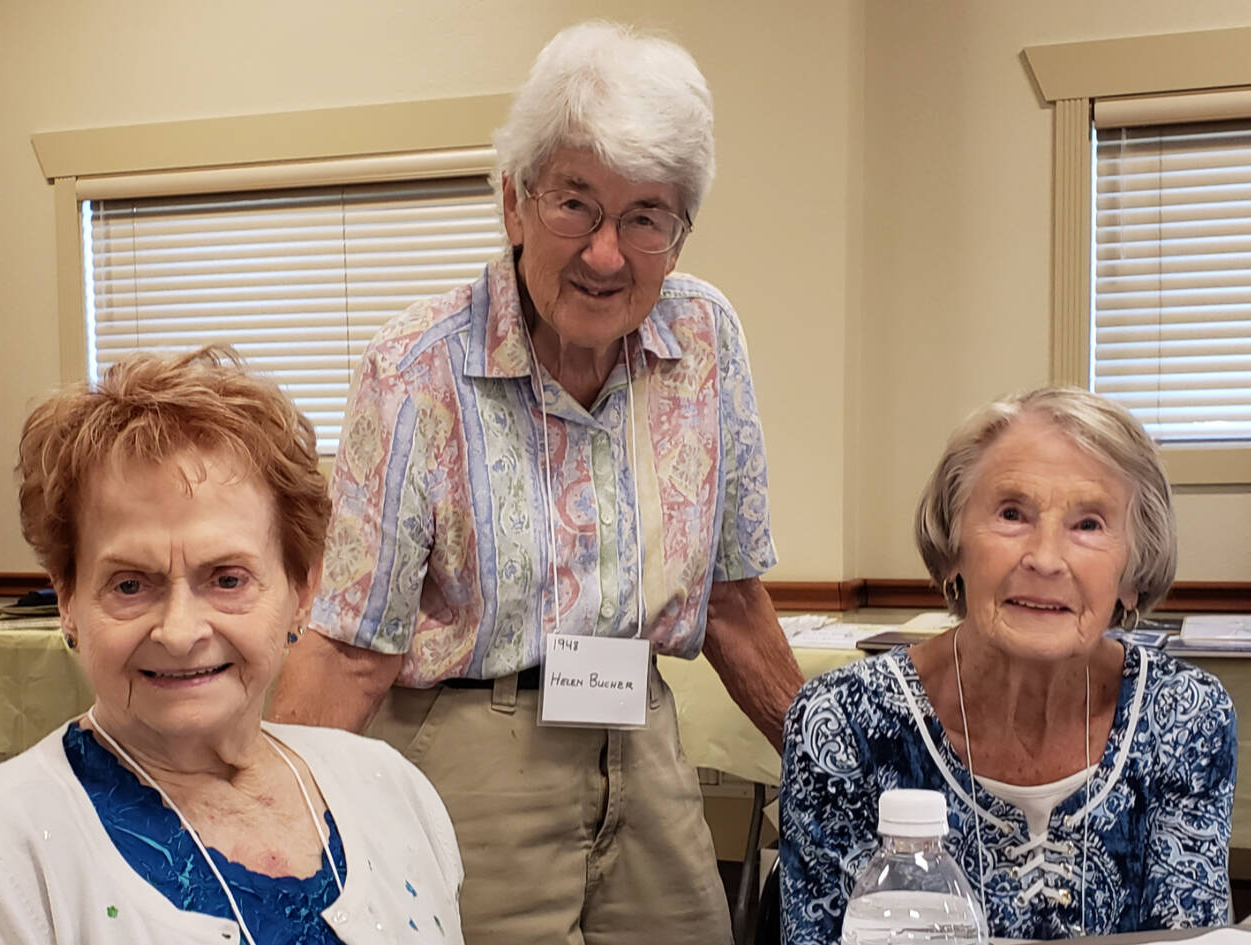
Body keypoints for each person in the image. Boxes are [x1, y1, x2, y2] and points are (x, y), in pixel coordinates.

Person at [269, 20, 804, 944]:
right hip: (471, 752)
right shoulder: (415, 370)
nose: (606, 253)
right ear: (514, 203)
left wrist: (836, 772)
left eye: (646, 217)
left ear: (678, 236)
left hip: (640, 734)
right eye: (576, 205)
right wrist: (265, 834)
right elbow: (353, 647)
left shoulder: (707, 340)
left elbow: (730, 599)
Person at [0, 347, 464, 945]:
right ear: (68, 597)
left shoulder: (393, 790)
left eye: (227, 579)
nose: (179, 632)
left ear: (301, 588)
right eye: (130, 584)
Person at [780, 387, 1237, 941]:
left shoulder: (1187, 716)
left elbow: (1191, 935)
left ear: (1133, 574)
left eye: (1088, 524)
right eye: (1012, 513)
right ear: (953, 548)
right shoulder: (842, 722)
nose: (1045, 559)